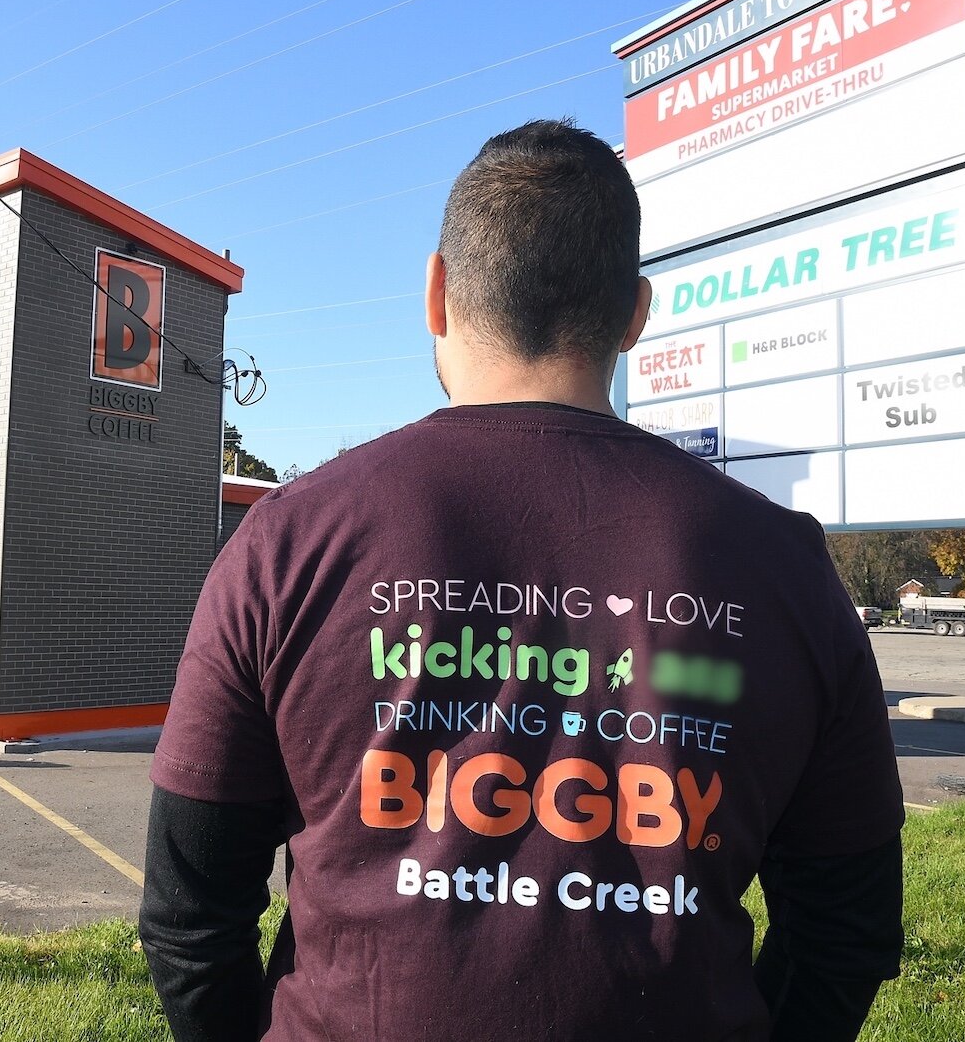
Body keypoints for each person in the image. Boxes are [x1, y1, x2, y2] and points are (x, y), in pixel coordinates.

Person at [140, 119, 904, 1041]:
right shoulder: (782, 564)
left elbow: (190, 916)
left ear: (436, 293)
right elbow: (845, 931)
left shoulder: (286, 541)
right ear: (634, 312)